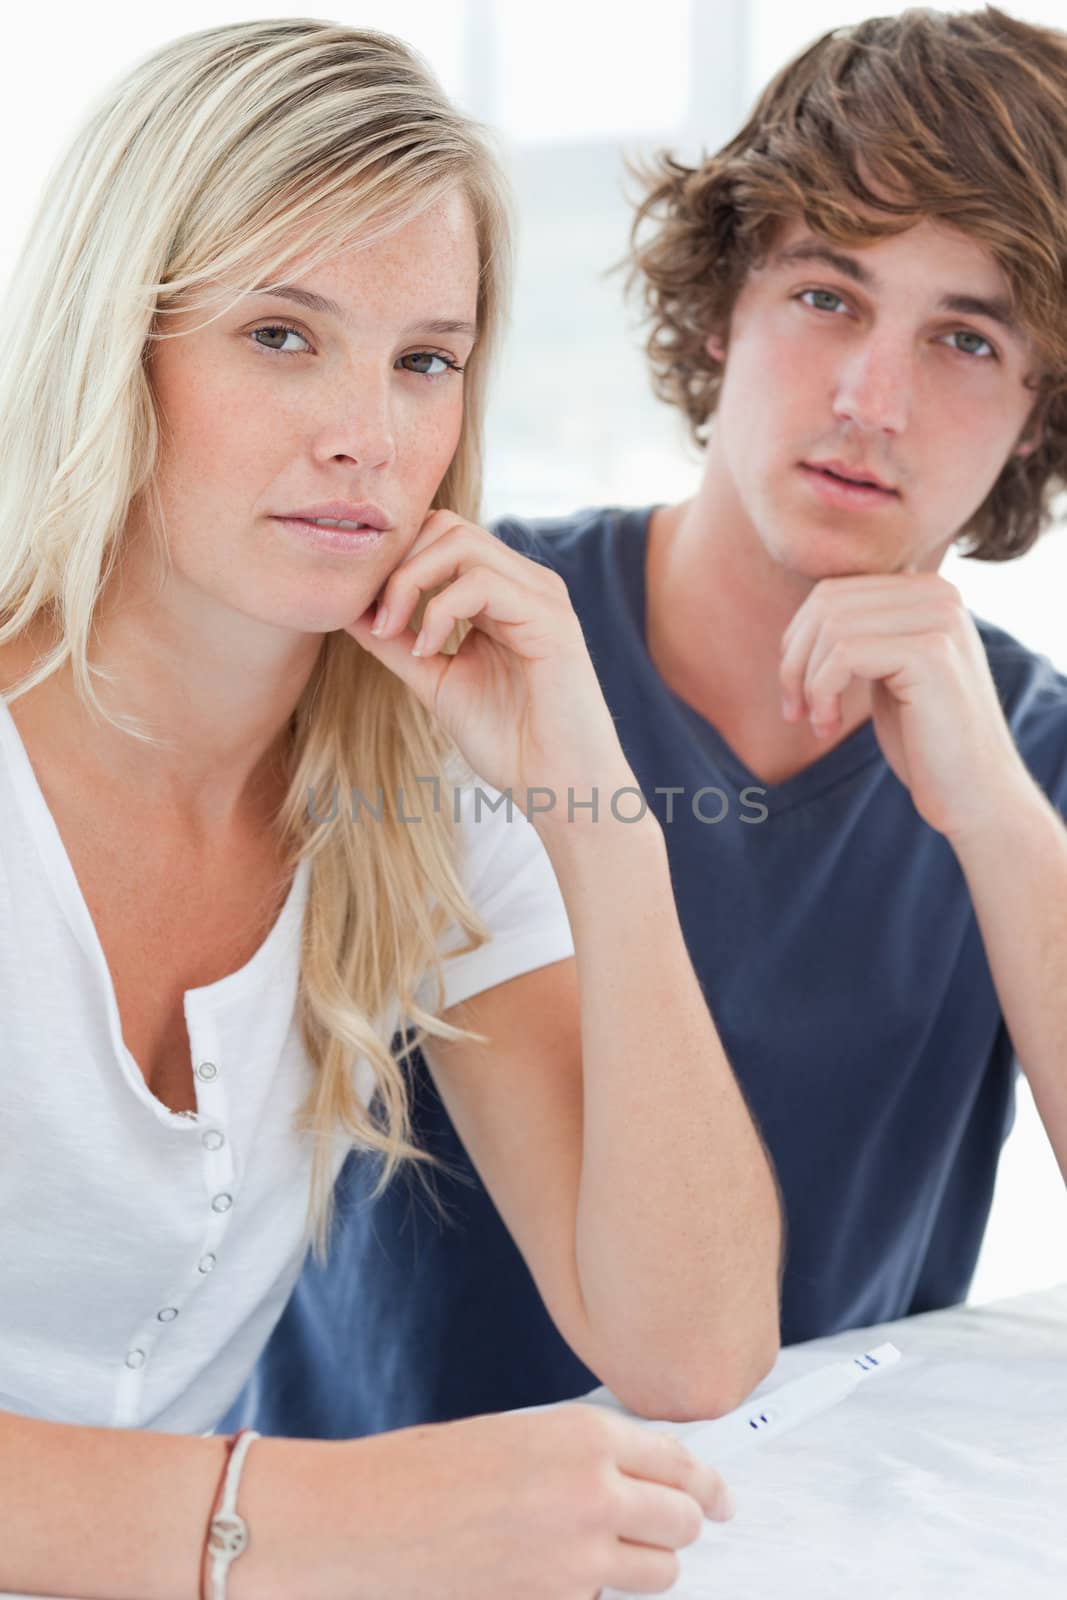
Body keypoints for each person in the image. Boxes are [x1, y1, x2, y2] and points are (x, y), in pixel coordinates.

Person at [0, 18, 783, 1600]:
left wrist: (601, 817)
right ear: (116, 339)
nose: (367, 431)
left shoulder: (409, 785)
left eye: (424, 357)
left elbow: (691, 1348)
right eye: (282, 334)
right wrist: (313, 1523)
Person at [229, 3, 1067, 1443]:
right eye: (828, 298)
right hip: (377, 1511)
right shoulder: (454, 636)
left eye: (968, 340)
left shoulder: (1026, 756)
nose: (873, 399)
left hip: (786, 1533)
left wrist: (994, 815)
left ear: (1039, 411)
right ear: (724, 302)